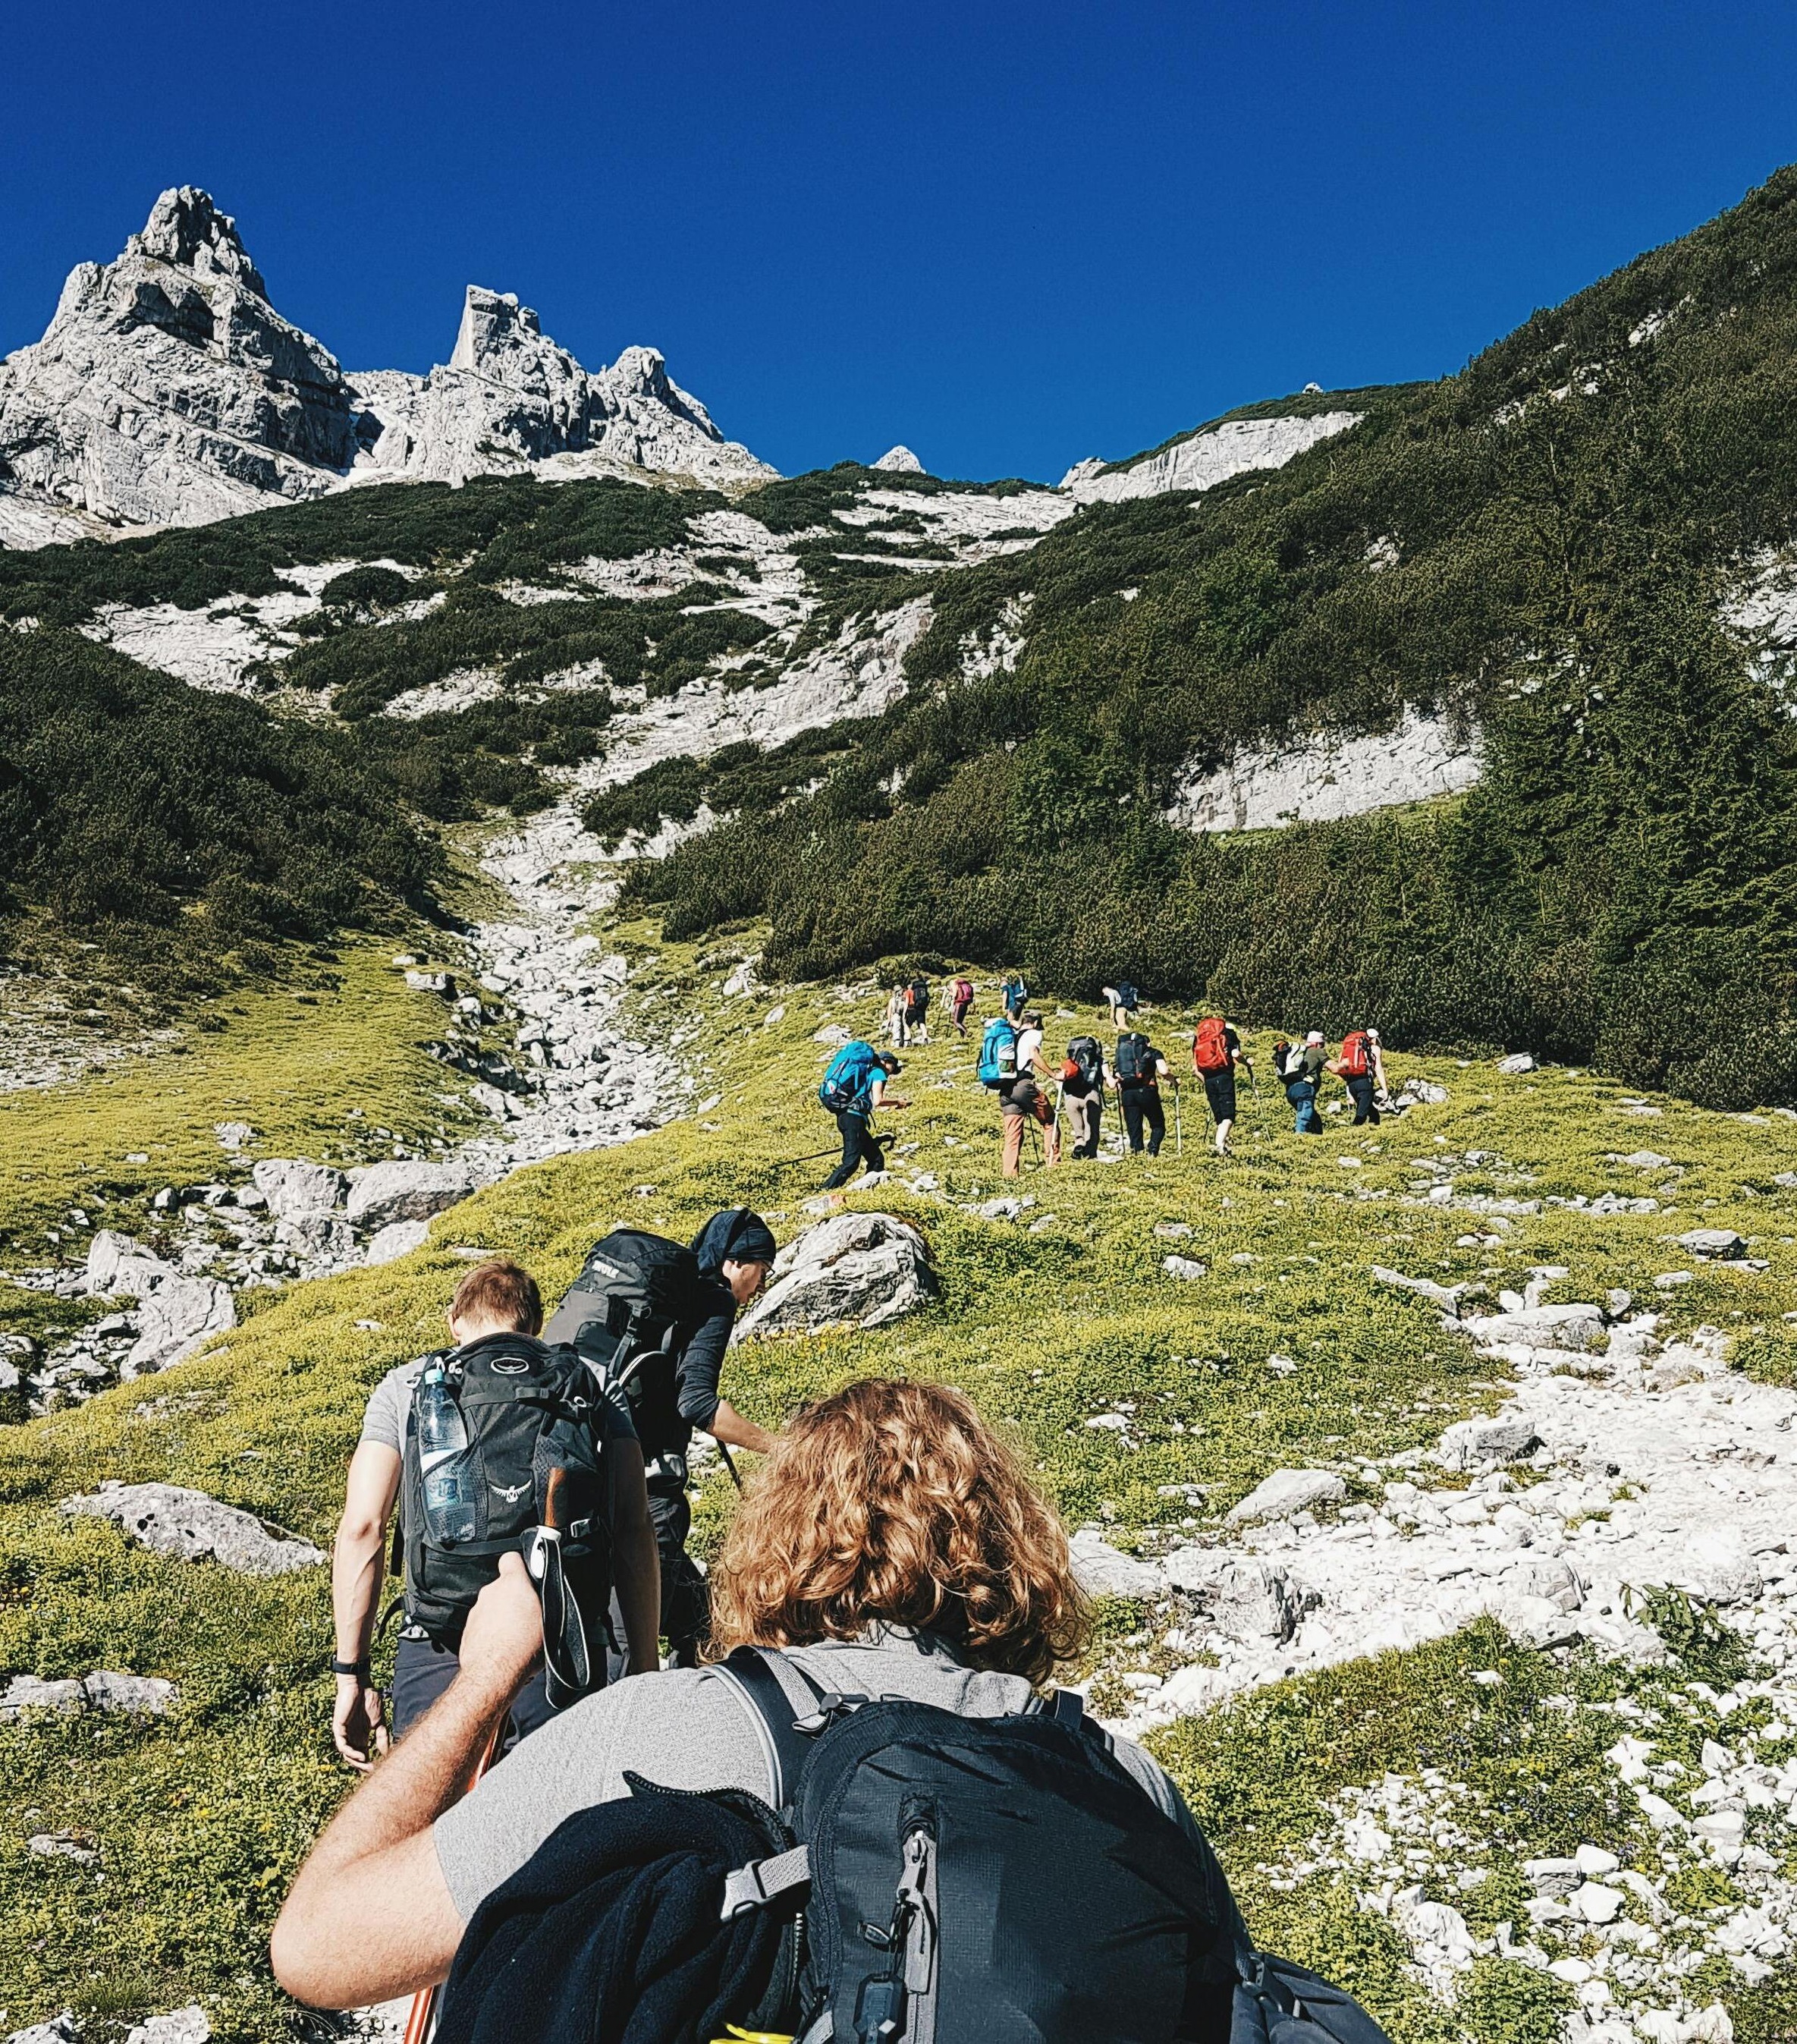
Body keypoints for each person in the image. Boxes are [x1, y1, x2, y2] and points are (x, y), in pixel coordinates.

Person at [270, 1379, 1243, 2017]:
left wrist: (487, 1674)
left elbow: (318, 1950)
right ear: (1014, 1544)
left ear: (777, 1531)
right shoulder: (1116, 1772)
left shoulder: (676, 1726)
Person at [328, 1260, 660, 1772]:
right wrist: (642, 1661)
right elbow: (634, 1526)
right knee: (556, 1816)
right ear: (534, 1328)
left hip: (441, 1632)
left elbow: (363, 1528)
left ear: (454, 1322)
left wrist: (351, 1674)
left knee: (430, 1812)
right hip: (559, 1635)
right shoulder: (589, 1380)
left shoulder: (407, 1385)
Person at [821, 1040, 905, 1190]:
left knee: (876, 1159)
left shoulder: (865, 1072)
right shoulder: (878, 1072)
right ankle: (825, 1190)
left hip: (847, 1117)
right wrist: (898, 1102)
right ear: (886, 1062)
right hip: (854, 1119)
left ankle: (868, 1190)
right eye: (892, 1068)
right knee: (851, 1163)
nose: (891, 1072)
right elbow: (878, 1101)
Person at [1001, 1011, 1063, 1176]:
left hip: (1006, 1090)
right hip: (1023, 1086)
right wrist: (1053, 1074)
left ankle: (1009, 1176)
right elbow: (1033, 1054)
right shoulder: (1034, 1034)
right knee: (1050, 1121)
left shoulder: (1010, 1035)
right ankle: (1053, 1165)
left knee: (1012, 1136)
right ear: (1035, 1023)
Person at [1192, 1014, 1252, 1156]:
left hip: (1208, 1078)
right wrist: (1247, 1063)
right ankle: (1219, 1145)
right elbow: (1236, 1054)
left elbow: (1195, 1069)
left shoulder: (1199, 1038)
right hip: (1224, 1077)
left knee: (1219, 1116)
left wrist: (1205, 1080)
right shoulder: (1228, 1034)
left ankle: (1223, 1146)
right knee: (1228, 1116)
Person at [1114, 1028, 1170, 1156]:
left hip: (1127, 1093)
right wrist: (1174, 1080)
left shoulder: (1122, 1057)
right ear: (1147, 1043)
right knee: (1158, 1125)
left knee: (1134, 1127)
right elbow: (1164, 1071)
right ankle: (1153, 1150)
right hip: (1147, 1091)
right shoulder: (1153, 1052)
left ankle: (1137, 1153)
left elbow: (1115, 1078)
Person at [1060, 1033, 1106, 1159]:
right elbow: (1109, 1080)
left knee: (1079, 1133)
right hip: (1091, 1096)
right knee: (1092, 1132)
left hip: (1071, 1098)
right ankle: (1090, 1157)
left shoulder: (1071, 1060)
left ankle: (1079, 1146)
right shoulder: (1100, 1060)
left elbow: (1061, 1077)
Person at [1333, 1025, 1382, 1127]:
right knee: (1361, 1115)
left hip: (1352, 1083)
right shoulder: (1373, 1049)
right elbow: (1379, 1069)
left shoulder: (1349, 1049)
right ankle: (1355, 1130)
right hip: (1364, 1082)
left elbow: (1342, 1065)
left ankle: (1374, 1126)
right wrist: (1385, 1090)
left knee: (1370, 1110)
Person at [1285, 1030, 1328, 1134]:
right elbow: (1334, 1067)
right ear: (1316, 1043)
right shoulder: (1316, 1051)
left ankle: (1315, 1138)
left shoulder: (1300, 1052)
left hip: (1291, 1090)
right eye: (1322, 1044)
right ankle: (1299, 1140)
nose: (1323, 1047)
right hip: (1305, 1089)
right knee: (1304, 1116)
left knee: (1314, 1119)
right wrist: (1345, 1065)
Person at [950, 973, 975, 1037]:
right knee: (960, 1022)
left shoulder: (954, 983)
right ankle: (963, 1037)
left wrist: (951, 993)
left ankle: (966, 1032)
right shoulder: (966, 985)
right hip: (965, 1004)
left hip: (959, 1004)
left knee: (956, 1022)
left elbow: (955, 994)